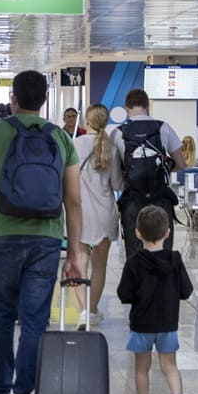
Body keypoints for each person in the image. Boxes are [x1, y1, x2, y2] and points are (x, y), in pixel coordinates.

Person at [0, 70, 84, 394]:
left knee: (1, 317)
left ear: (13, 98)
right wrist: (74, 254)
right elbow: (73, 202)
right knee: (33, 321)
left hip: (3, 237)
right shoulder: (61, 138)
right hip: (46, 239)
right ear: (45, 101)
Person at [116, 205, 193, 394]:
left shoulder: (134, 263)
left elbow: (124, 294)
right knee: (169, 365)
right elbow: (186, 291)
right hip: (168, 323)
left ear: (137, 233)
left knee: (142, 368)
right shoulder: (175, 260)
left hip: (142, 324)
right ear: (167, 232)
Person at [112, 88, 185, 259]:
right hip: (161, 199)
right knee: (163, 253)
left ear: (126, 108)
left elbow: (115, 180)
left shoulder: (118, 133)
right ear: (148, 106)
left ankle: (140, 285)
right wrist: (165, 169)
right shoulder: (163, 127)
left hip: (132, 201)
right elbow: (181, 163)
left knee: (135, 256)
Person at [71, 104, 119, 328]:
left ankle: (84, 312)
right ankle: (91, 310)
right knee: (99, 266)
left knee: (79, 261)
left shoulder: (75, 144)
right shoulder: (111, 146)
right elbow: (117, 183)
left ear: (87, 122)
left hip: (80, 212)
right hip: (105, 211)